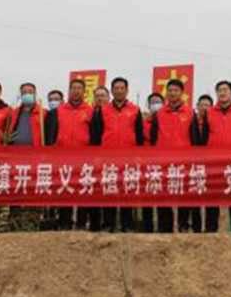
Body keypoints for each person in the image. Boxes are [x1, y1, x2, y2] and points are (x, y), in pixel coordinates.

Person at [91, 77, 144, 232]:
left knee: (127, 191)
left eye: (122, 88)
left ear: (127, 90)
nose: (119, 91)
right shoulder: (103, 110)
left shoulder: (135, 110)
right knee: (110, 190)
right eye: (116, 88)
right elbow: (96, 134)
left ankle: (127, 225)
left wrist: (138, 155)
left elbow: (139, 135)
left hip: (129, 158)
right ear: (112, 91)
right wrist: (97, 156)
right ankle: (109, 224)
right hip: (108, 158)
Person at [148, 79, 200, 232]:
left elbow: (195, 137)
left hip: (184, 162)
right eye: (170, 90)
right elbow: (153, 137)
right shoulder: (159, 114)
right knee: (163, 195)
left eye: (176, 90)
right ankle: (165, 228)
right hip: (163, 162)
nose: (172, 93)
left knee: (184, 195)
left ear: (182, 93)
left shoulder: (190, 112)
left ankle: (183, 226)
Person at [44, 78, 93, 229]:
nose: (76, 91)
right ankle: (64, 223)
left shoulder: (90, 111)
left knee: (83, 190)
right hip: (63, 157)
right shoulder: (58, 111)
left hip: (84, 158)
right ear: (69, 91)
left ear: (84, 91)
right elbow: (51, 134)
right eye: (73, 88)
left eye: (79, 88)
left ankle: (81, 223)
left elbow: (95, 134)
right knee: (65, 189)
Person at [201, 80, 231, 232]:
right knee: (212, 197)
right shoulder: (209, 112)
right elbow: (204, 137)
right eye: (220, 90)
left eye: (225, 90)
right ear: (216, 93)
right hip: (213, 162)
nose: (222, 93)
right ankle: (210, 231)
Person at [140, 92, 165, 233]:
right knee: (146, 197)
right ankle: (147, 228)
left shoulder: (166, 120)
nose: (156, 104)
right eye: (153, 102)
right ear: (148, 105)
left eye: (158, 101)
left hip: (163, 163)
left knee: (163, 196)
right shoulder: (143, 122)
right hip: (146, 163)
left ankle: (164, 228)